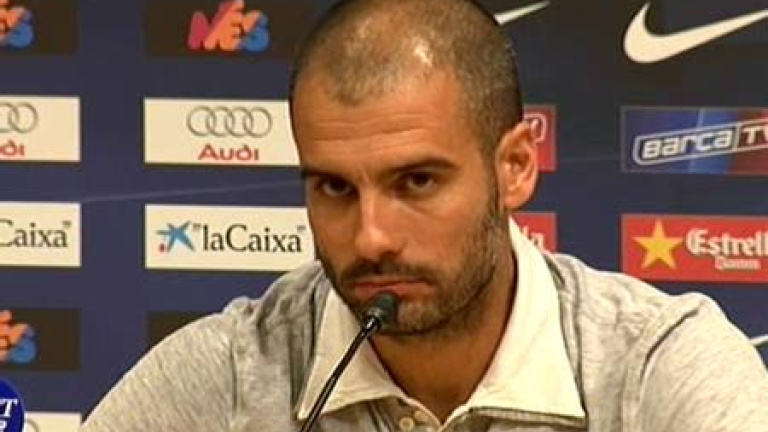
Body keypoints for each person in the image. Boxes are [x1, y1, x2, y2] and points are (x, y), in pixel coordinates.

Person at [81, 0, 768, 430]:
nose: (371, 237)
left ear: (515, 166)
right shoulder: (232, 375)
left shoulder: (658, 367)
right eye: (334, 188)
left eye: (416, 181)